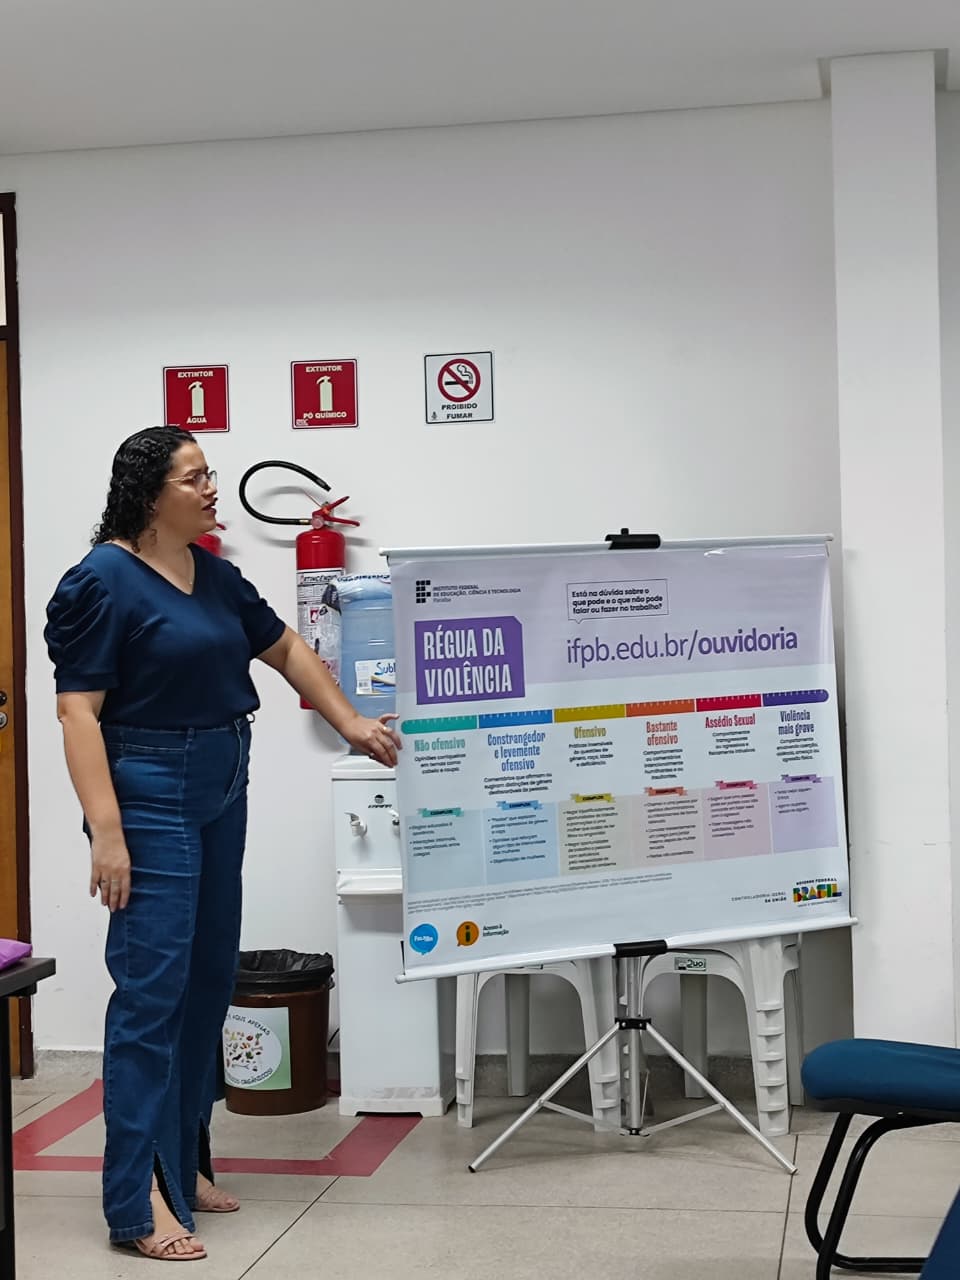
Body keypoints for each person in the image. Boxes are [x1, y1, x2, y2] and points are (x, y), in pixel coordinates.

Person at [44, 426, 400, 1262]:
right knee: (152, 996)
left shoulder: (213, 575)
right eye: (195, 477)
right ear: (149, 494)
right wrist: (107, 832)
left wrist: (351, 723)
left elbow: (285, 647)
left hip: (221, 782)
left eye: (211, 474)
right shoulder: (100, 582)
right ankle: (137, 1200)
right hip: (148, 792)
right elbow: (77, 712)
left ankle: (185, 1162)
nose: (212, 489)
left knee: (207, 982)